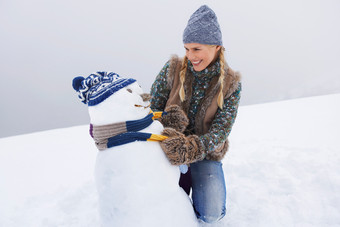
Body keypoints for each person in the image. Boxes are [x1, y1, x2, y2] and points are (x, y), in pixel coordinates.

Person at [150, 5, 241, 224]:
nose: (190, 55)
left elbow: (221, 130)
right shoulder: (172, 68)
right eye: (187, 48)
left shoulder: (230, 83)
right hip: (167, 149)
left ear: (217, 47)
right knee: (158, 205)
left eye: (196, 49)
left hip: (204, 153)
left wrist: (193, 148)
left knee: (210, 214)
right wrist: (166, 123)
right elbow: (153, 109)